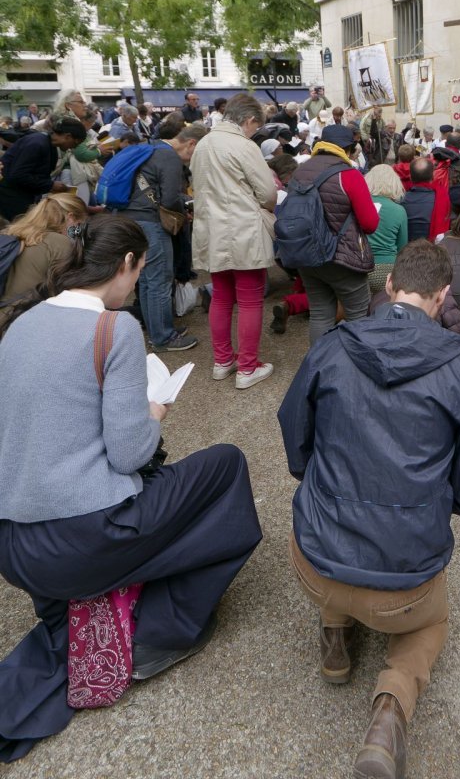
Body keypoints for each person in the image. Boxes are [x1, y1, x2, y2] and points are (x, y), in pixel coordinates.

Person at [0, 215, 263, 762]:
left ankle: (116, 601)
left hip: (15, 546)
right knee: (225, 467)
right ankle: (157, 633)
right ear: (126, 265)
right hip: (82, 541)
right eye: (140, 269)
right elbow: (130, 452)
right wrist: (154, 411)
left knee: (163, 486)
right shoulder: (114, 328)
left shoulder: (21, 323)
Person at [277, 239, 460, 779]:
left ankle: (335, 635)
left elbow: (294, 439)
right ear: (443, 296)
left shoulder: (332, 345)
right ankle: (391, 708)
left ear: (390, 286)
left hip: (316, 563)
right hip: (407, 582)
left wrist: (322, 481)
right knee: (431, 623)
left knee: (330, 539)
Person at [191, 93, 277, 388]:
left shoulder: (202, 144)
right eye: (256, 126)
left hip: (211, 229)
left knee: (222, 295)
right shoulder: (243, 145)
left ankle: (223, 360)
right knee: (251, 298)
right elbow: (267, 194)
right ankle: (248, 367)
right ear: (249, 120)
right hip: (243, 228)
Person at [289, 124, 379, 343]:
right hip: (343, 257)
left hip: (307, 253)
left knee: (320, 313)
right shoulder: (349, 175)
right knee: (358, 314)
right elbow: (369, 224)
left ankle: (319, 362)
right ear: (348, 148)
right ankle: (354, 366)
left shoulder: (300, 171)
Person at [121, 123, 204, 353]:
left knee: (147, 279)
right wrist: (186, 206)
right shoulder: (170, 158)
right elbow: (168, 199)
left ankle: (155, 328)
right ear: (191, 144)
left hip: (131, 218)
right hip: (150, 222)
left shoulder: (151, 147)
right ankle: (163, 338)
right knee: (159, 280)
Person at [0, 192, 88, 328]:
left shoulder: (10, 233)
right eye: (79, 225)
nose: (78, 232)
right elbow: (68, 294)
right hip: (21, 321)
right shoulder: (60, 243)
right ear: (70, 218)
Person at [0, 117, 85, 221]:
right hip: (9, 194)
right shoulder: (37, 143)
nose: (73, 148)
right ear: (68, 136)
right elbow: (17, 175)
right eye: (75, 143)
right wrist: (50, 185)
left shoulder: (50, 146)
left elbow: (36, 175)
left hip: (21, 193)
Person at [364, 164, 409, 294]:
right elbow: (402, 247)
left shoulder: (360, 205)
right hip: (387, 268)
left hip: (360, 265)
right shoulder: (399, 211)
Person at [404, 155, 451, 242]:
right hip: (435, 249)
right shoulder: (443, 198)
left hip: (408, 250)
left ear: (410, 177)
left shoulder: (401, 200)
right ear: (433, 176)